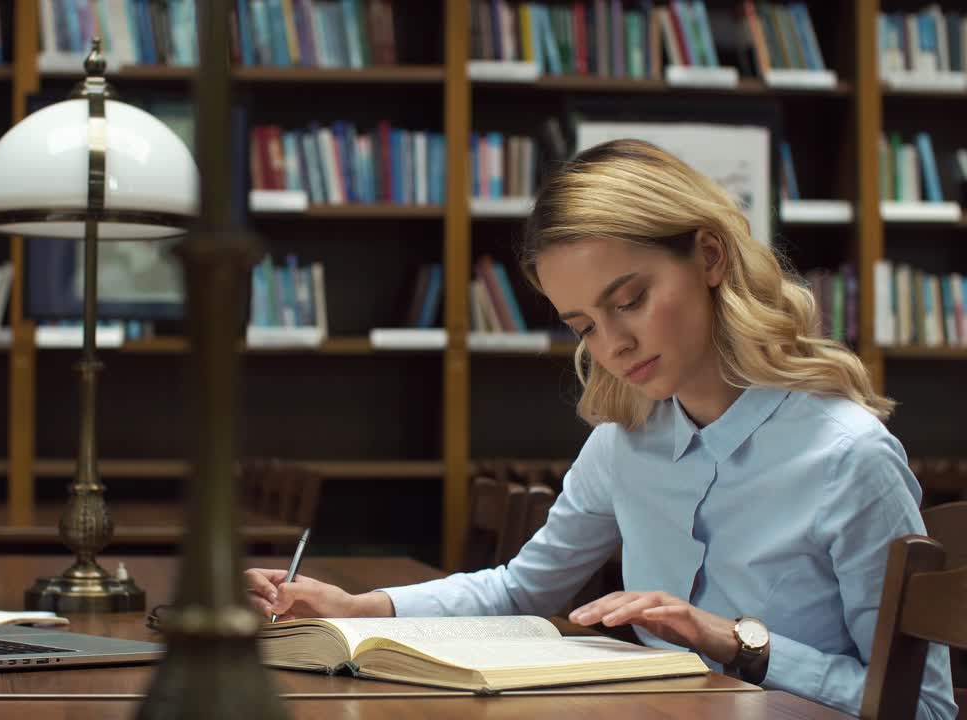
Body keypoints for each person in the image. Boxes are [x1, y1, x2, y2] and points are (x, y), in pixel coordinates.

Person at [244, 139, 957, 719]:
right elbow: (521, 590)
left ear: (710, 257)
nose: (612, 345)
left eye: (632, 300)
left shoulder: (848, 456)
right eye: (583, 325)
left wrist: (737, 643)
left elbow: (921, 706)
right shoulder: (626, 443)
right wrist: (357, 607)